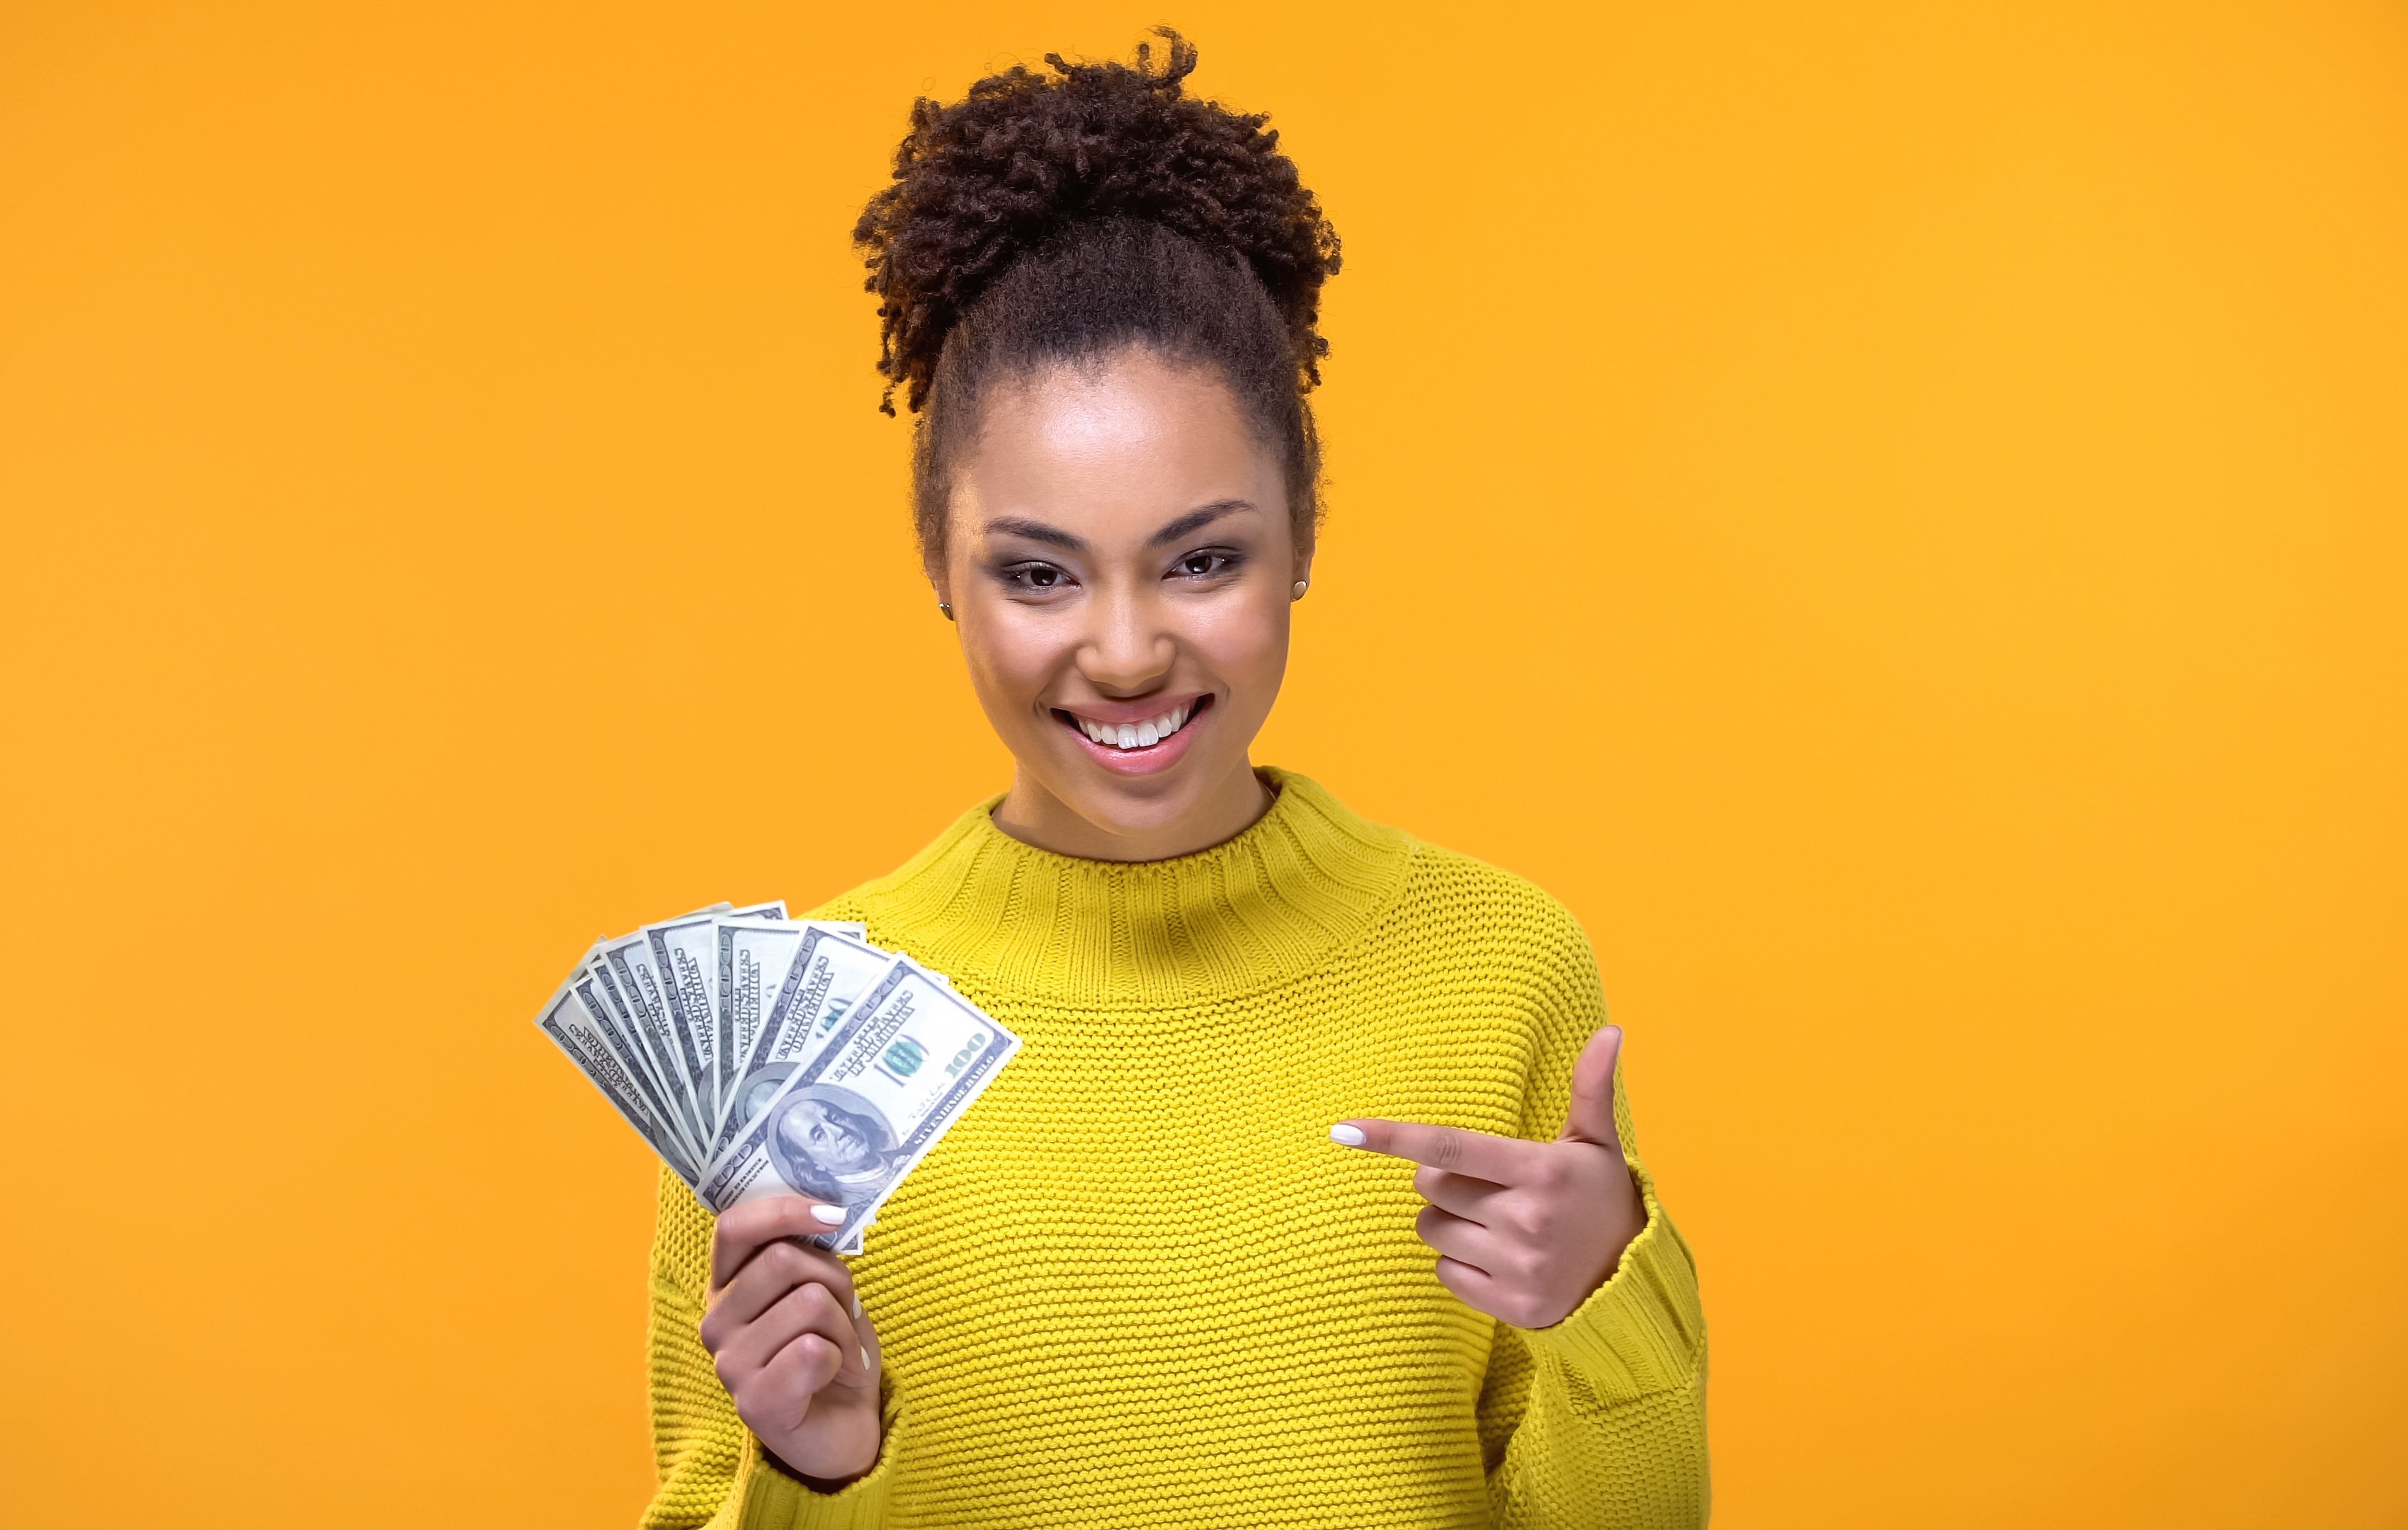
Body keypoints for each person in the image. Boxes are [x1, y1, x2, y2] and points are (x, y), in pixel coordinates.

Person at [646, 33, 1708, 1528]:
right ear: (941, 572)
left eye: (1203, 558)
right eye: (1039, 573)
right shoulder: (784, 1038)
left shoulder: (1503, 971)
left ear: (1305, 541)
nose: (1129, 650)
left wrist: (1608, 1302)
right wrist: (817, 1474)